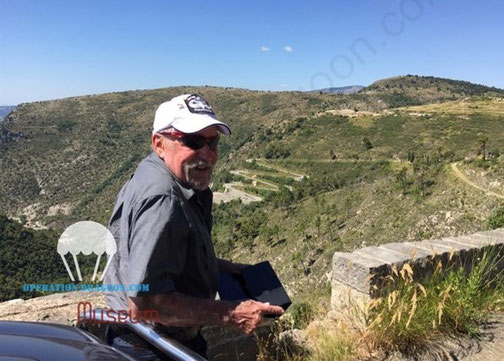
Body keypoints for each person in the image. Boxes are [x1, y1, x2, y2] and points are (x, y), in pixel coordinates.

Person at [104, 94, 283, 359]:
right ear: (159, 143)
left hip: (152, 338)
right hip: (153, 346)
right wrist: (233, 313)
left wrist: (229, 269)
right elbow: (145, 304)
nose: (208, 154)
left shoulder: (166, 176)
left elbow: (170, 257)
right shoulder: (163, 200)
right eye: (194, 141)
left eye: (213, 142)